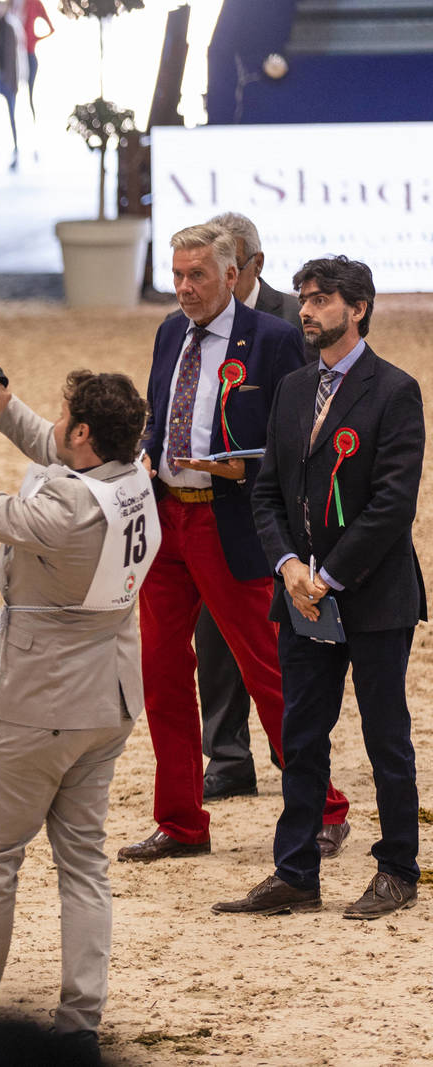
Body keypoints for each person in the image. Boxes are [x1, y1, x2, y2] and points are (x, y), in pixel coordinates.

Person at [0, 313, 156, 1063]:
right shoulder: (128, 475)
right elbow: (48, 440)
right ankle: (80, 1026)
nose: (58, 425)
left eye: (67, 416)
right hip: (107, 700)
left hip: (40, 704)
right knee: (85, 864)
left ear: (86, 435)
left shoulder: (64, 509)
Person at [118, 223, 350, 864]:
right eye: (177, 274)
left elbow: (304, 433)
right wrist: (145, 454)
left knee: (267, 669)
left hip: (231, 524)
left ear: (231, 274)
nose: (184, 287)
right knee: (162, 673)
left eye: (196, 275)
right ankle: (181, 822)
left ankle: (325, 807)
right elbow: (159, 415)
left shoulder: (273, 339)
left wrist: (246, 470)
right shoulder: (169, 332)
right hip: (166, 521)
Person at [215, 256, 424, 920]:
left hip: (375, 595)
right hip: (302, 594)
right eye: (304, 298)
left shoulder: (396, 390)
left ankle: (398, 868)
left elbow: (392, 505)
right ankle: (296, 871)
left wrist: (326, 577)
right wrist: (287, 566)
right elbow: (267, 491)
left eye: (321, 299)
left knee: (385, 736)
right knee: (301, 735)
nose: (305, 309)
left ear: (357, 308)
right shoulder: (292, 388)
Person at [180, 213, 303, 804]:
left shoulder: (290, 322)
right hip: (200, 508)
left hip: (264, 505)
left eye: (202, 272)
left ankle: (296, 760)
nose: (188, 286)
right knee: (211, 638)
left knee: (271, 642)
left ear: (246, 266)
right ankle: (227, 755)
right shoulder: (182, 327)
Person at [0, 2, 24, 170]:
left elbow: (13, 58)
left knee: (12, 117)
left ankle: (16, 151)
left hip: (7, 80)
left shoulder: (9, 28)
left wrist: (13, 81)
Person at [21, 0, 54, 120]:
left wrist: (34, 39)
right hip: (18, 55)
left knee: (29, 92)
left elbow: (51, 29)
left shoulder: (35, 4)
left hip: (29, 55)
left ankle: (33, 119)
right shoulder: (19, 3)